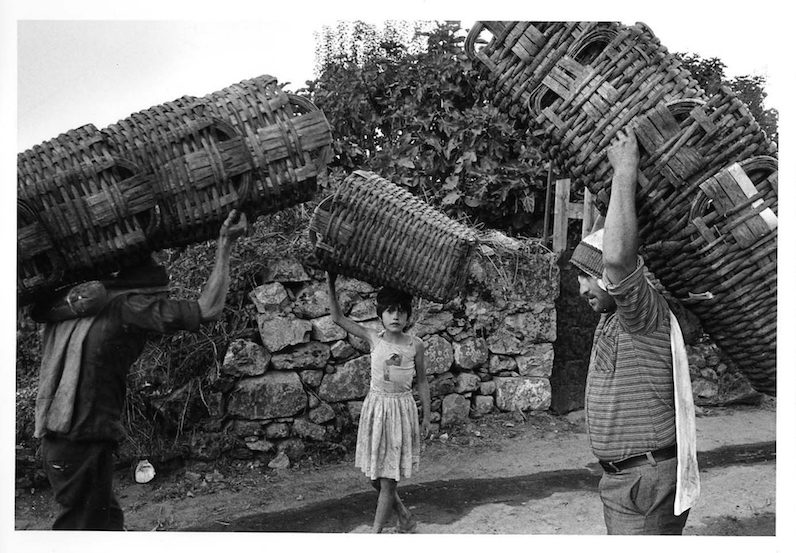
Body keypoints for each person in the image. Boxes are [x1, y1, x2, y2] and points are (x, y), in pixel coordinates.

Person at [31, 209, 248, 530]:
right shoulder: (127, 306)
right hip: (82, 443)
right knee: (85, 532)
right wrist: (225, 244)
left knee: (101, 525)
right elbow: (209, 308)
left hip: (62, 442)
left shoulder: (75, 300)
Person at [569, 129, 699, 534]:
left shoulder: (641, 314)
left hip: (644, 483)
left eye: (587, 277)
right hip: (626, 482)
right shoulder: (613, 319)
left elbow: (620, 259)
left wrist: (625, 170)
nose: (581, 288)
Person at [326, 272, 431, 533]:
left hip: (400, 412)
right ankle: (404, 516)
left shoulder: (415, 345)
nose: (395, 317)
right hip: (377, 410)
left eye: (401, 312)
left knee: (388, 481)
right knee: (375, 478)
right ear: (380, 315)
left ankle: (375, 535)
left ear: (408, 316)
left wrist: (427, 416)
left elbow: (422, 381)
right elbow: (337, 318)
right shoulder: (374, 338)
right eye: (390, 311)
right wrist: (330, 281)